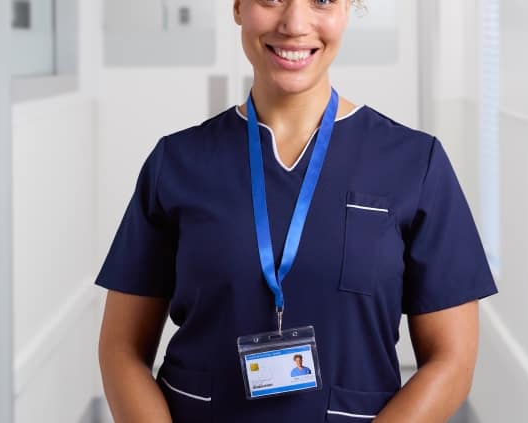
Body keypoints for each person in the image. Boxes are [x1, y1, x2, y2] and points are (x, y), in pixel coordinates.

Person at [96, 0, 497, 421]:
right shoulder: (176, 163)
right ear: (237, 7)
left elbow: (452, 361)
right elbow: (121, 348)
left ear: (348, 10)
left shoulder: (415, 163)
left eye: (322, 0)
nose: (295, 23)